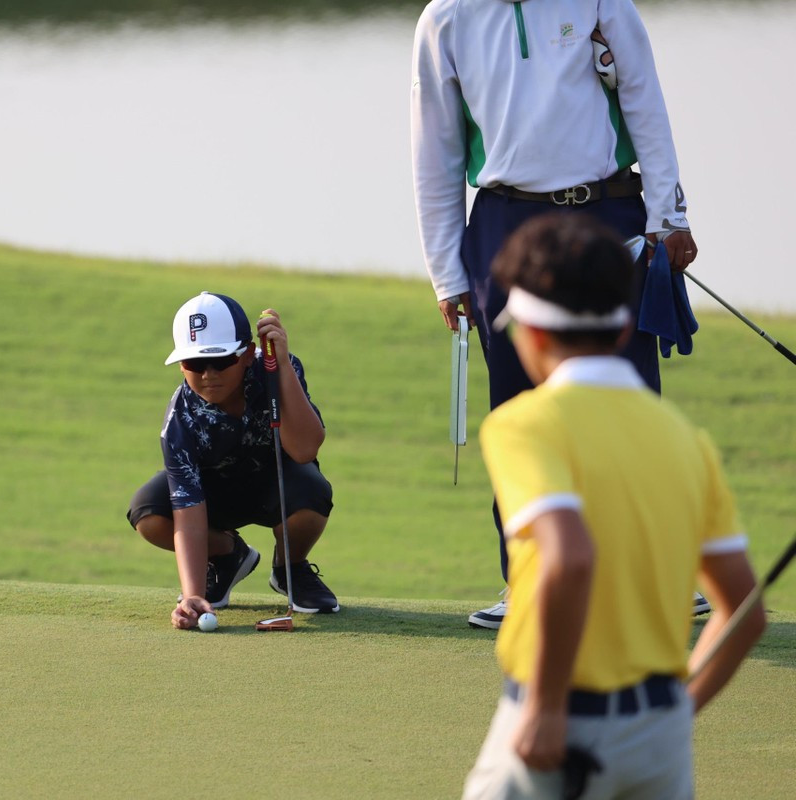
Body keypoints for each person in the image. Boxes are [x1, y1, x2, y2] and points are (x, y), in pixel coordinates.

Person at [411, 0, 707, 628]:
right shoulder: (446, 18)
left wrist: (669, 217)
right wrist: (446, 274)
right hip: (502, 220)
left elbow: (645, 104)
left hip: (605, 211)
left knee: (626, 399)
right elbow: (433, 150)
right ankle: (529, 577)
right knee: (518, 410)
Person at [462, 214, 765, 799]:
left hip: (559, 720)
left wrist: (548, 709)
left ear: (532, 332)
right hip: (660, 735)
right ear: (625, 326)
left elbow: (570, 556)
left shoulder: (525, 424)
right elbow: (744, 610)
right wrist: (676, 716)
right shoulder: (685, 437)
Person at [126, 291, 339, 630]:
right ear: (181, 365)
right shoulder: (180, 419)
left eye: (221, 360)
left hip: (277, 486)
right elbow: (189, 514)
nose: (208, 374)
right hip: (214, 498)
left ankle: (290, 569)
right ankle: (227, 557)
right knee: (148, 510)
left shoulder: (278, 369)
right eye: (195, 364)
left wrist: (282, 366)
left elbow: (305, 450)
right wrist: (192, 593)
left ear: (247, 354)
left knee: (312, 490)